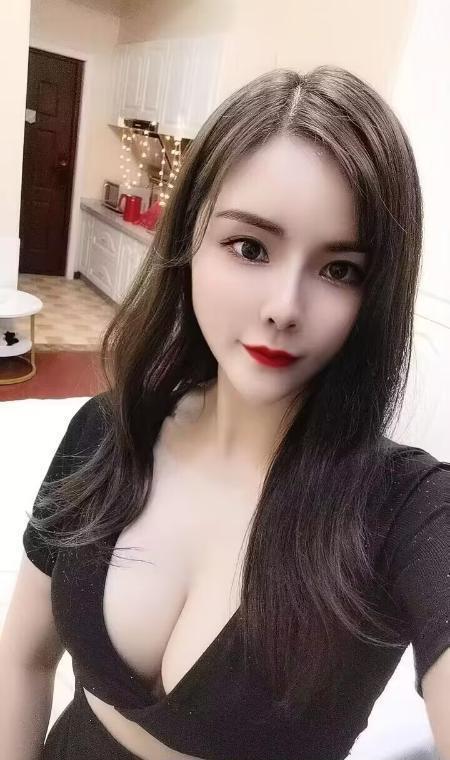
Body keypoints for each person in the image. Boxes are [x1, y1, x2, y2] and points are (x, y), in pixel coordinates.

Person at [1, 65, 449, 760]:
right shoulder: (106, 430)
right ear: (190, 245)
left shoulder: (405, 511)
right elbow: (24, 660)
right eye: (250, 248)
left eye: (340, 270)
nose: (284, 307)